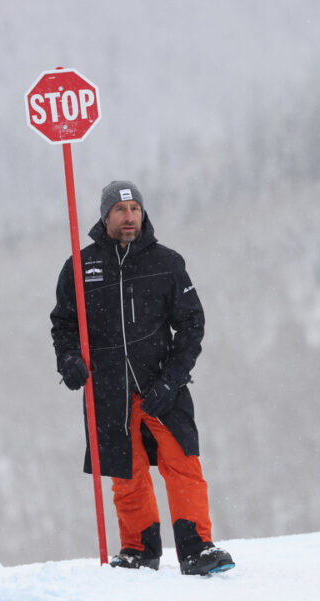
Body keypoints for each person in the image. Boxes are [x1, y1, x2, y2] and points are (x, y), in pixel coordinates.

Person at [50, 180, 235, 575]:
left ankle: (197, 548)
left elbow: (191, 324)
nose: (129, 216)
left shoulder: (166, 262)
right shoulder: (79, 268)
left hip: (161, 386)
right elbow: (63, 325)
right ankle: (138, 549)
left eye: (135, 208)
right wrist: (68, 360)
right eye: (120, 210)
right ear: (105, 217)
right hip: (107, 390)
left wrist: (173, 378)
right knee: (125, 473)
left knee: (183, 465)